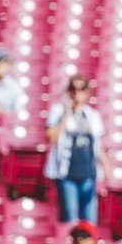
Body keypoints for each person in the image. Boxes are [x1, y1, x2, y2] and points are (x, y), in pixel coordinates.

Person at [44, 75, 110, 224]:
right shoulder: (58, 111)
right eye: (73, 89)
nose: (77, 93)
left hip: (88, 173)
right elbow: (51, 138)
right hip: (67, 173)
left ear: (87, 92)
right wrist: (66, 116)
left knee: (89, 221)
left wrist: (106, 166)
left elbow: (98, 144)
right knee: (70, 219)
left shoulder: (93, 115)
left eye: (81, 89)